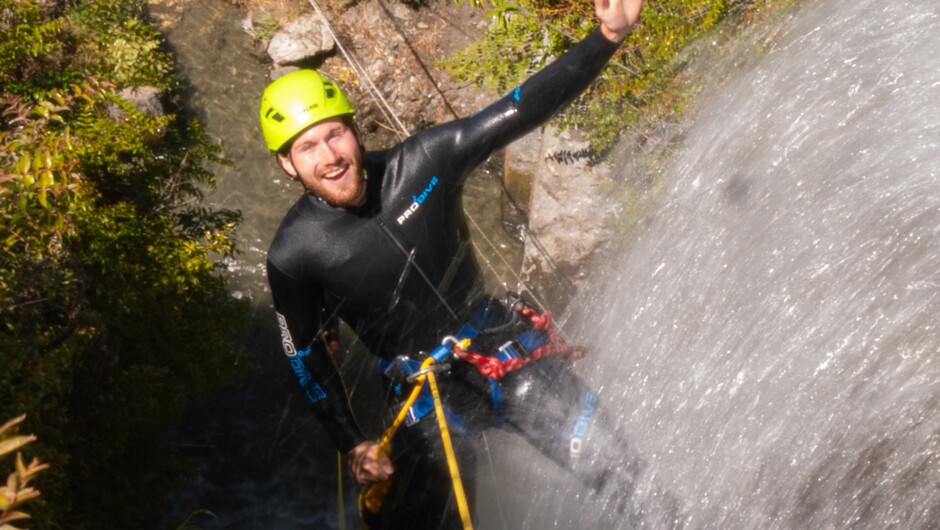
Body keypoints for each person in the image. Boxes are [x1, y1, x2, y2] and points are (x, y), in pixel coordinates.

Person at [260, 0, 649, 527]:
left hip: (498, 346)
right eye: (307, 147)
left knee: (626, 477)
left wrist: (606, 38)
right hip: (421, 394)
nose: (329, 155)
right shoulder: (293, 254)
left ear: (356, 131)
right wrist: (350, 442)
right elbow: (304, 357)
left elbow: (520, 109)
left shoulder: (423, 163)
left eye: (335, 134)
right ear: (287, 165)